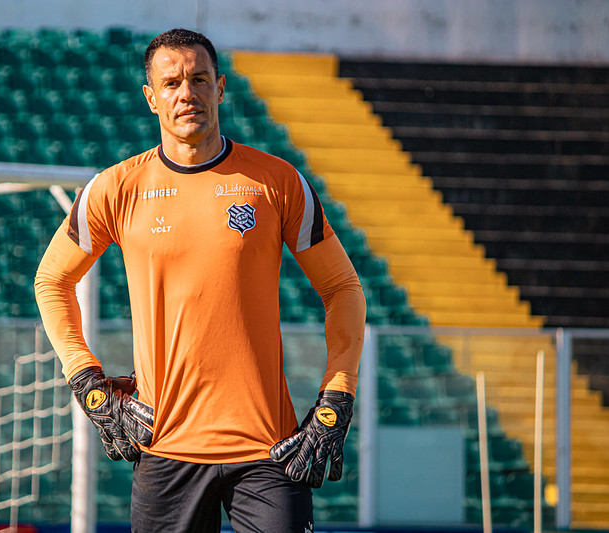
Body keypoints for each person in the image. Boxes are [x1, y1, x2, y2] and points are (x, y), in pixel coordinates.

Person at [34, 28, 366, 532]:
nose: (186, 93)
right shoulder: (115, 188)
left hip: (269, 451)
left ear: (220, 88)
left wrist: (337, 395)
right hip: (164, 448)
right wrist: (85, 378)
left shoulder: (277, 181)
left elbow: (342, 288)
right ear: (151, 98)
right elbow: (51, 280)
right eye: (171, 83)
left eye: (199, 79)